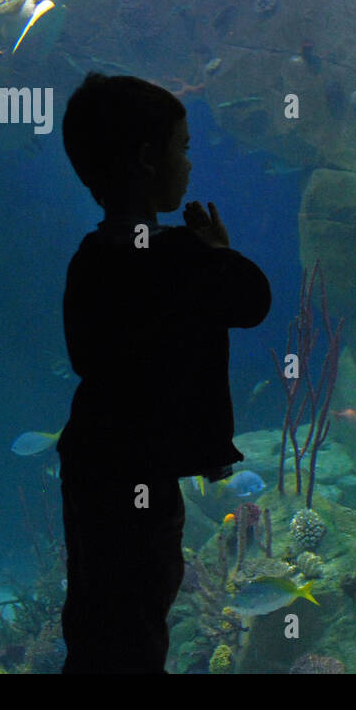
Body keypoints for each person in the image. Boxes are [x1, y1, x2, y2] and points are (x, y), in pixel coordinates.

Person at [57, 73, 271, 673]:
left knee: (99, 615)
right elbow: (253, 302)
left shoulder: (91, 257)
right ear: (149, 160)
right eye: (182, 147)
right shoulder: (180, 256)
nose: (189, 162)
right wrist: (217, 252)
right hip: (141, 475)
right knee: (142, 613)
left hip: (94, 468)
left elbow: (84, 357)